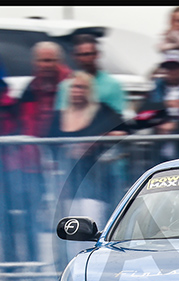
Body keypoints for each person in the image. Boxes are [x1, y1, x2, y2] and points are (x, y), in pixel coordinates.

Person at [0, 42, 72, 281]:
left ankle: (67, 273)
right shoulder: (30, 89)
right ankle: (33, 272)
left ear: (58, 62)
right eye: (41, 61)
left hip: (65, 166)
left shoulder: (71, 86)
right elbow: (23, 126)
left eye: (49, 61)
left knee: (67, 223)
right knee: (30, 220)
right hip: (33, 168)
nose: (45, 66)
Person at [48, 71, 128, 270]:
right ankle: (68, 271)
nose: (77, 91)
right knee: (68, 233)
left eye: (81, 87)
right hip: (67, 183)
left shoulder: (101, 111)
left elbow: (124, 129)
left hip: (94, 183)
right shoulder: (59, 116)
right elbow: (47, 139)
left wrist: (96, 141)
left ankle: (93, 270)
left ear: (89, 91)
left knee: (91, 229)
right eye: (74, 87)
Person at [54, 34, 126, 115]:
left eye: (88, 54)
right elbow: (60, 118)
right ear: (73, 56)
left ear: (97, 54)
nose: (84, 59)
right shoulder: (65, 86)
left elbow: (117, 118)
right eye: (80, 55)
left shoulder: (112, 85)